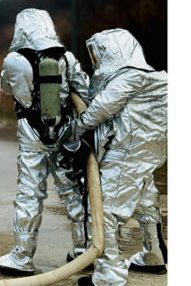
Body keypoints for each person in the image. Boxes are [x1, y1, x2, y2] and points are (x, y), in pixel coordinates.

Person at [0, 8, 92, 276]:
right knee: (73, 192)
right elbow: (84, 91)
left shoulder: (14, 60)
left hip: (31, 136)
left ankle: (22, 258)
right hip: (64, 135)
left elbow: (5, 88)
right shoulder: (66, 57)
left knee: (29, 194)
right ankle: (85, 252)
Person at [69, 28, 167, 286]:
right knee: (146, 202)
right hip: (149, 152)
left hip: (126, 152)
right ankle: (153, 253)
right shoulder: (158, 78)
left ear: (113, 50)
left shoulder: (128, 79)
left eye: (98, 53)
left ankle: (109, 277)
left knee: (105, 210)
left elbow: (98, 111)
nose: (96, 60)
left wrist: (73, 133)